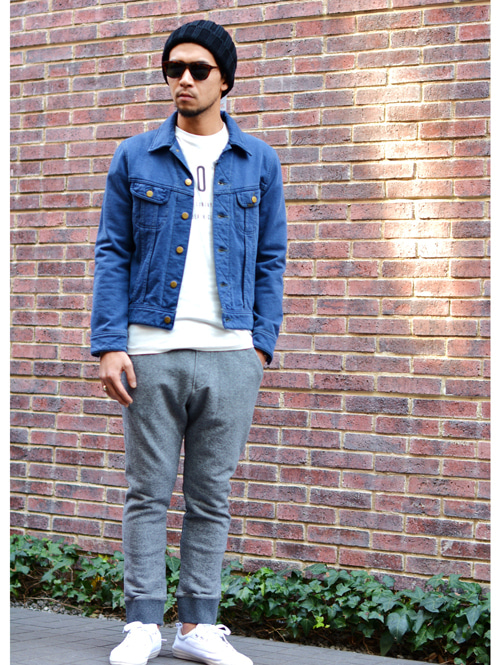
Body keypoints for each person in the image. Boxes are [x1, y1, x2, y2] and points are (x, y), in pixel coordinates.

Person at [90, 20, 287, 665]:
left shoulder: (258, 161)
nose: (183, 79)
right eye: (174, 68)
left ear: (225, 80)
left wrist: (261, 345)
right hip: (151, 348)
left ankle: (199, 626)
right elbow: (113, 251)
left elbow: (271, 259)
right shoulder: (135, 156)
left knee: (211, 496)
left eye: (199, 69)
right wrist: (109, 343)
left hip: (233, 353)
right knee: (146, 492)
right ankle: (143, 624)